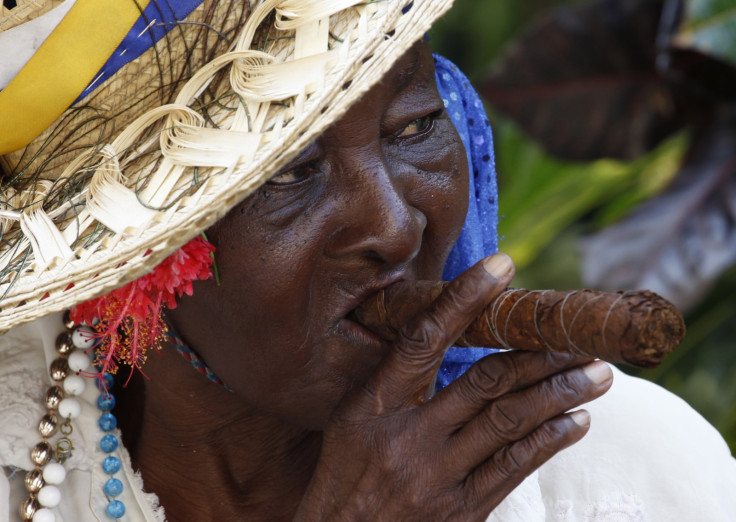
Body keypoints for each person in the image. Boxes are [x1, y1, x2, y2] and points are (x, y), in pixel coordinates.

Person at [0, 1, 734, 521]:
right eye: (289, 174)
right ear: (131, 265)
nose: (393, 224)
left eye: (414, 127)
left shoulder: (631, 472)